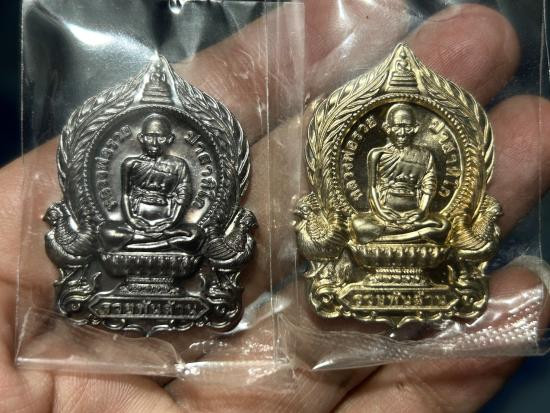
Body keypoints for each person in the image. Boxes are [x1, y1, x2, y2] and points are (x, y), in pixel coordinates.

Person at [4, 2, 550, 412]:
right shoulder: (375, 153)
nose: (151, 143)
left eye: (408, 126)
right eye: (146, 137)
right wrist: (144, 223)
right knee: (125, 233)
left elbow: (422, 195)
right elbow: (129, 203)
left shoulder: (417, 156)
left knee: (404, 227)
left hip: (403, 226)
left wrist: (407, 216)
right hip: (141, 236)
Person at [99, 113, 204, 253]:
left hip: (168, 223)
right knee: (107, 232)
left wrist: (170, 222)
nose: (154, 143)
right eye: (149, 137)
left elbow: (183, 196)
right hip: (136, 224)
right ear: (141, 138)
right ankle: (163, 244)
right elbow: (126, 195)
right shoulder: (130, 164)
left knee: (196, 235)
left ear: (170, 139)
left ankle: (134, 245)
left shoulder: (179, 165)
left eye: (160, 138)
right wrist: (132, 221)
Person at [350, 103, 449, 244]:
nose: (402, 133)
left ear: (415, 128)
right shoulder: (377, 154)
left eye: (407, 127)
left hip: (414, 214)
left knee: (443, 225)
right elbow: (372, 188)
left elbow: (429, 185)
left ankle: (390, 237)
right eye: (397, 127)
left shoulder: (425, 155)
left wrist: (421, 210)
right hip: (385, 214)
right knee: (359, 225)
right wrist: (380, 212)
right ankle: (414, 235)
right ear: (387, 128)